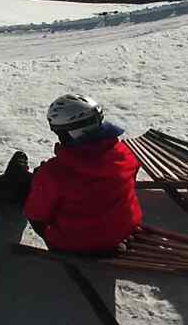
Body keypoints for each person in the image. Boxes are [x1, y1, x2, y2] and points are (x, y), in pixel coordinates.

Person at [22, 94, 140, 253]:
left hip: (75, 244)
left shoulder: (54, 173)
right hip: (123, 231)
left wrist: (39, 182)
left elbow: (36, 213)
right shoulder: (125, 154)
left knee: (35, 191)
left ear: (68, 134)